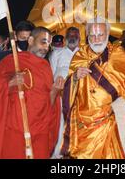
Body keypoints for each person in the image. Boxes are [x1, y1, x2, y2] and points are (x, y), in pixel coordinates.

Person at [61, 18, 125, 159]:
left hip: (114, 119)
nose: (96, 39)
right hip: (85, 123)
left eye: (100, 34)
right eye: (92, 35)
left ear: (107, 34)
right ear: (87, 36)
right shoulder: (80, 56)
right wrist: (75, 77)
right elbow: (67, 89)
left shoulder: (118, 54)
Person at [0, 27, 63, 158]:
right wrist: (9, 84)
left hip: (40, 131)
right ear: (31, 40)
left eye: (49, 43)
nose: (46, 47)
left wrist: (55, 91)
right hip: (15, 129)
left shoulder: (46, 67)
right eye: (43, 42)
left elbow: (48, 103)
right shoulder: (11, 61)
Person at [50, 27, 80, 158]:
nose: (72, 37)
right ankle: (59, 153)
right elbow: (50, 74)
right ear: (66, 37)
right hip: (61, 94)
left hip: (79, 94)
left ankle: (77, 150)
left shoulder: (84, 52)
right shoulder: (57, 53)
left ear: (79, 36)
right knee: (61, 122)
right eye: (69, 34)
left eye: (75, 34)